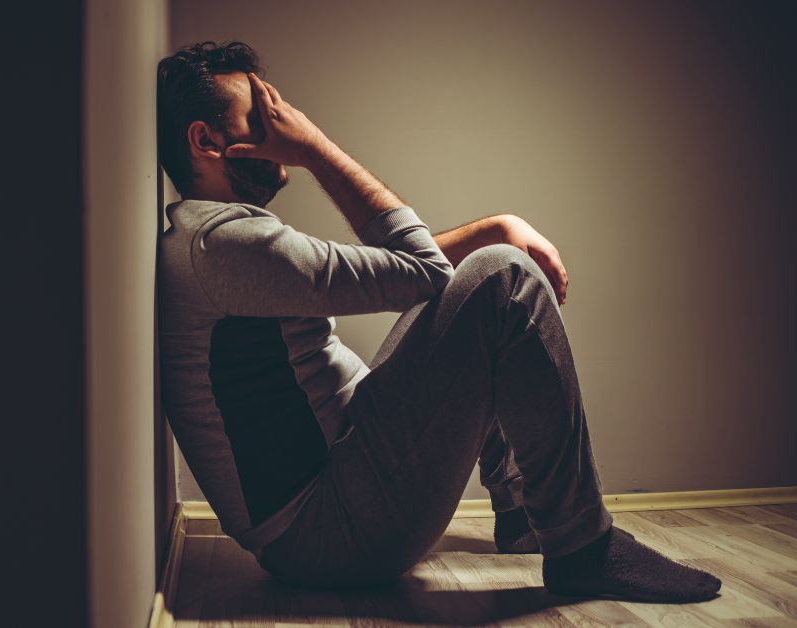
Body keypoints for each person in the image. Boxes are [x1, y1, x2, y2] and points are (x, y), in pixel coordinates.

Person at [156, 40, 722, 604]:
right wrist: (316, 148)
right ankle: (583, 548)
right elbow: (422, 271)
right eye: (260, 115)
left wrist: (494, 227)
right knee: (503, 279)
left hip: (340, 484)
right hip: (324, 533)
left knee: (477, 287)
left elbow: (400, 275)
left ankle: (524, 516)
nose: (284, 121)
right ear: (206, 141)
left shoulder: (220, 238)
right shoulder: (226, 245)